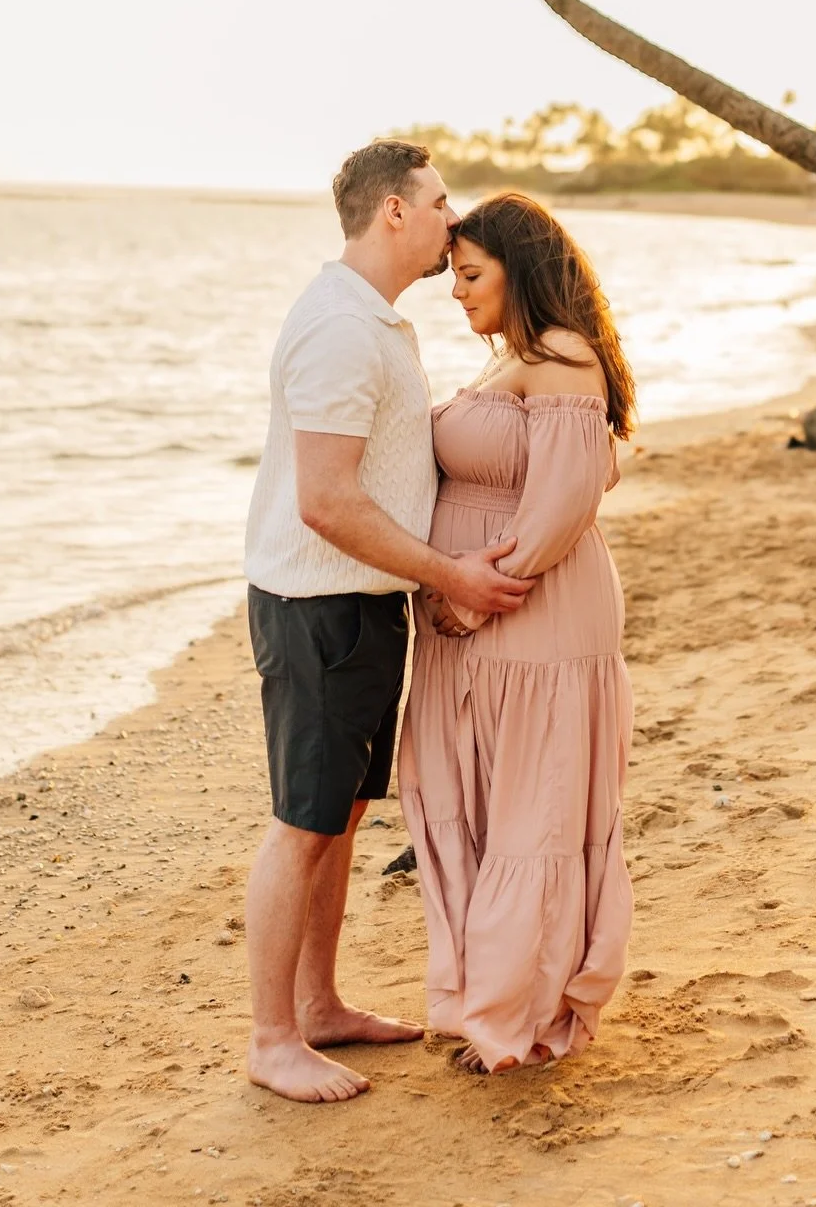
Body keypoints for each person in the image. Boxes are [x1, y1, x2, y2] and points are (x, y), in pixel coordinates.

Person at [241, 140, 532, 1106]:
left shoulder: (376, 322)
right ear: (395, 213)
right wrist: (447, 570)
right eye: (441, 203)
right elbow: (325, 500)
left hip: (364, 605)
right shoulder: (338, 328)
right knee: (301, 824)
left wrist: (427, 579)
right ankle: (272, 1037)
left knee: (344, 816)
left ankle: (318, 1006)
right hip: (316, 608)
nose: (456, 220)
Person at [398, 190, 636, 1074]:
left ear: (519, 269)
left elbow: (563, 504)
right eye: (453, 276)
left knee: (532, 814)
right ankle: (488, 1000)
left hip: (530, 621)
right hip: (480, 629)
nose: (456, 292)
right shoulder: (513, 360)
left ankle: (520, 1018)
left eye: (469, 275)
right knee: (484, 807)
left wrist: (466, 596)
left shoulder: (564, 356)